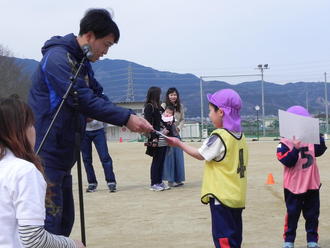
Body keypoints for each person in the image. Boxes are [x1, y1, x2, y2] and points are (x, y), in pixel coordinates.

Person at [28, 8, 153, 236]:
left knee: (65, 222)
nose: (105, 52)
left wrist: (130, 116)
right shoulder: (57, 58)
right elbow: (81, 98)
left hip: (63, 156)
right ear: (89, 36)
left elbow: (97, 95)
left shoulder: (81, 63)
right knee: (50, 226)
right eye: (106, 44)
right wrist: (125, 117)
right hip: (46, 152)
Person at [166, 89, 248, 248]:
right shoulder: (241, 136)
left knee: (223, 238)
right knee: (235, 237)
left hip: (222, 197)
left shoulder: (219, 136)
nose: (209, 115)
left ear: (221, 112)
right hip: (237, 196)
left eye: (211, 110)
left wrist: (178, 143)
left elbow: (199, 154)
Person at [0, 96, 85, 248]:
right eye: (31, 124)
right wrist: (73, 245)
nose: (34, 130)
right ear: (19, 130)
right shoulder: (23, 171)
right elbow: (33, 239)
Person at [276, 106, 327, 248]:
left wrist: (320, 138)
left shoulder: (310, 139)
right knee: (292, 215)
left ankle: (312, 240)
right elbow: (286, 161)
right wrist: (295, 148)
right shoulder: (284, 143)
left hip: (311, 184)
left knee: (312, 215)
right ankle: (289, 240)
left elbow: (320, 151)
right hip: (293, 187)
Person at [144, 87, 169, 191]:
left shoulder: (159, 107)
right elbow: (148, 124)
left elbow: (166, 118)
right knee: (156, 160)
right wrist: (154, 138)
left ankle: (159, 181)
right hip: (155, 137)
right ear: (155, 94)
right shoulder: (149, 107)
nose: (160, 95)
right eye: (159, 93)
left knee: (161, 160)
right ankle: (154, 183)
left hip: (163, 137)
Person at [81, 118, 116, 193]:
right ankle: (92, 182)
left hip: (99, 130)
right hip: (83, 131)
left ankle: (111, 181)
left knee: (105, 157)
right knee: (86, 159)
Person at [161, 87, 185, 187]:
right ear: (168, 96)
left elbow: (183, 119)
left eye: (175, 95)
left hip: (177, 133)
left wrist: (179, 127)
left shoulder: (180, 106)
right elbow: (161, 118)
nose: (173, 96)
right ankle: (170, 180)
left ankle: (178, 179)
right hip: (168, 134)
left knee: (178, 156)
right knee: (170, 157)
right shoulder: (164, 105)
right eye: (171, 95)